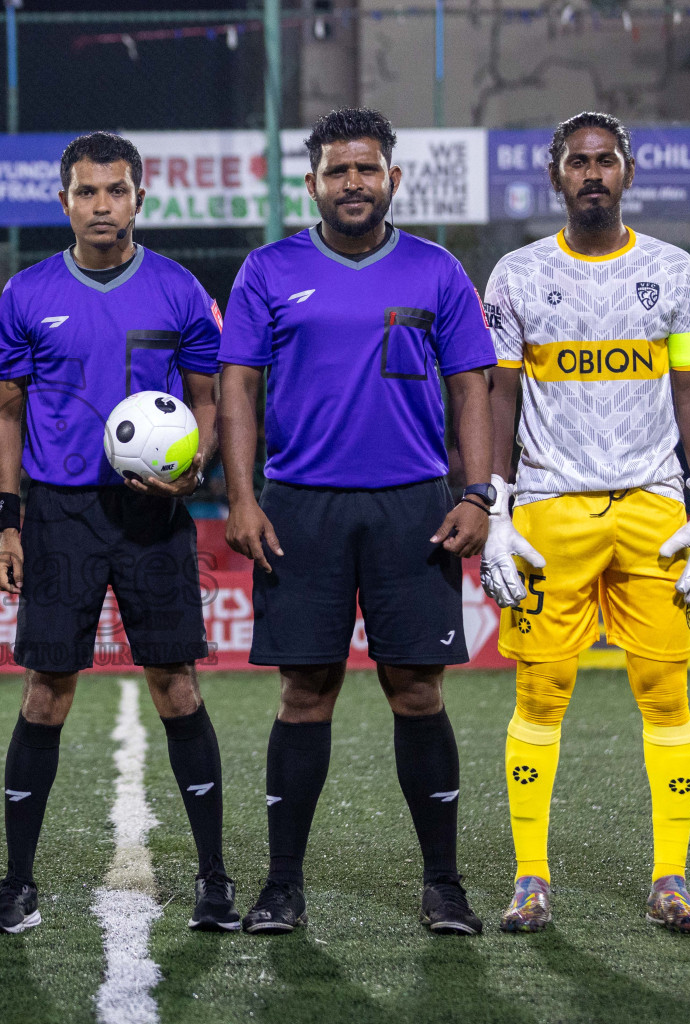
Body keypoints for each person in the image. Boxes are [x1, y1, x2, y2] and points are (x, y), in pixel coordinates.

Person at [219, 108, 496, 936]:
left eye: (367, 170)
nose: (353, 184)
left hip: (415, 506)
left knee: (417, 691)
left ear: (392, 179)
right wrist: (240, 497)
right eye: (337, 172)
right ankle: (281, 885)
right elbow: (237, 386)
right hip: (300, 506)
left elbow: (471, 386)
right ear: (312, 184)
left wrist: (478, 494)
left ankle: (443, 885)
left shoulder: (438, 270)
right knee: (305, 691)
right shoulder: (268, 270)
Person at [0, 132, 234, 935]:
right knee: (46, 692)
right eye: (86, 192)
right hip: (60, 514)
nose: (101, 206)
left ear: (139, 198)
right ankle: (18, 885)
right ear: (65, 202)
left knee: (176, 686)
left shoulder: (181, 291)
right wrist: (8, 519)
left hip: (153, 512)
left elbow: (209, 398)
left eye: (115, 191)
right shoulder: (26, 293)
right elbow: (7, 413)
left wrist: (198, 472)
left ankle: (215, 880)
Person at [481, 111, 690, 934]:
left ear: (627, 173)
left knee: (665, 692)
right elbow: (500, 395)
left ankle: (670, 879)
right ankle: (530, 879)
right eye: (578, 162)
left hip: (654, 507)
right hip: (551, 509)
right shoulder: (515, 275)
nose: (592, 173)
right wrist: (496, 509)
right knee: (540, 693)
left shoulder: (673, 269)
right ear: (556, 176)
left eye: (605, 161)